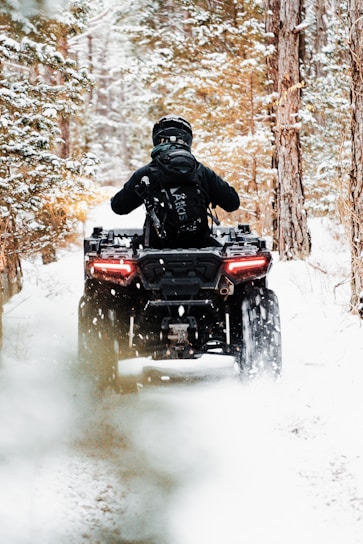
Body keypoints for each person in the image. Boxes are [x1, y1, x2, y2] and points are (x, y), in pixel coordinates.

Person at [111, 114, 240, 248]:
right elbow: (232, 203)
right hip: (200, 245)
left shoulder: (146, 173)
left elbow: (119, 207)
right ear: (188, 140)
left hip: (156, 248)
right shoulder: (202, 171)